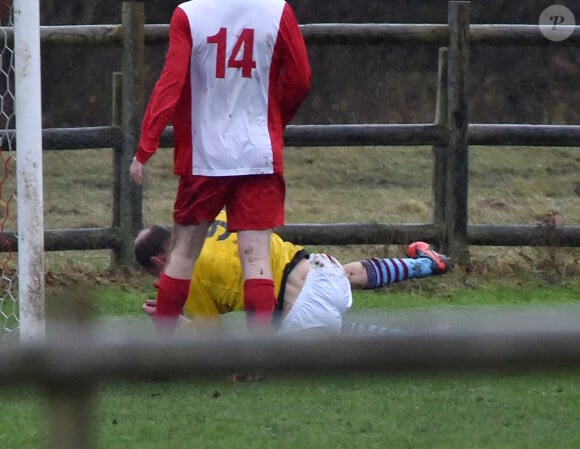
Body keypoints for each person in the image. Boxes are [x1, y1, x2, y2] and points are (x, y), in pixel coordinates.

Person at [129, 0, 312, 331]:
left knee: (183, 252)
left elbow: (171, 83)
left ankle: (164, 352)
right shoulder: (276, 10)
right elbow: (301, 79)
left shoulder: (189, 14)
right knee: (256, 257)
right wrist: (273, 121)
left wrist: (146, 146)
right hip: (257, 154)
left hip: (205, 157)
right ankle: (257, 357)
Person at [134, 210, 451, 334]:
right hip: (321, 271)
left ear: (161, 262)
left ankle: (424, 339)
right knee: (348, 274)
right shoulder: (215, 216)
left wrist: (176, 321)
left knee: (338, 333)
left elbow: (213, 341)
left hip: (301, 318)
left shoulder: (186, 274)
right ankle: (424, 263)